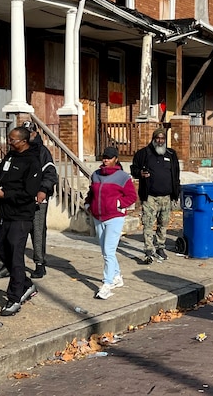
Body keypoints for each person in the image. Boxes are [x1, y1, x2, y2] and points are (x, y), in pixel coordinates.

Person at [0, 126, 43, 317]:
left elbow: (29, 192)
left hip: (21, 215)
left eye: (13, 140)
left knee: (16, 256)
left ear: (24, 141)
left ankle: (14, 298)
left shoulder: (33, 162)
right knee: (4, 252)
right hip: (4, 213)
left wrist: (4, 194)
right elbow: (2, 173)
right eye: (9, 139)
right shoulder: (10, 156)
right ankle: (26, 285)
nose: (9, 142)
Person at [0, 120, 58, 280]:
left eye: (29, 132)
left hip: (36, 200)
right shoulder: (12, 153)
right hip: (12, 203)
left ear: (33, 134)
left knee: (37, 231)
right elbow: (3, 171)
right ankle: (8, 266)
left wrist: (43, 190)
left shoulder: (41, 152)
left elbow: (50, 173)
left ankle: (39, 264)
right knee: (8, 238)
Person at [84, 146, 138, 299]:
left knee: (108, 250)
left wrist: (119, 204)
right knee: (106, 251)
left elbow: (132, 196)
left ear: (116, 159)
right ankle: (117, 276)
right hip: (97, 216)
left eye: (109, 157)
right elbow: (91, 193)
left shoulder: (123, 177)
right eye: (104, 157)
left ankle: (107, 284)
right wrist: (88, 204)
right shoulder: (95, 175)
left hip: (114, 217)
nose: (105, 160)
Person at [131, 127, 181, 264]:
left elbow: (176, 175)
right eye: (157, 138)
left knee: (163, 223)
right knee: (148, 223)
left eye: (162, 139)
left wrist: (176, 193)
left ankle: (160, 247)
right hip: (150, 196)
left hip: (166, 196)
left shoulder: (171, 154)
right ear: (153, 139)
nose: (160, 141)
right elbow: (134, 169)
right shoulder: (143, 154)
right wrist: (140, 173)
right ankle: (148, 250)